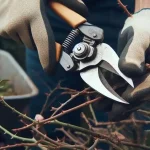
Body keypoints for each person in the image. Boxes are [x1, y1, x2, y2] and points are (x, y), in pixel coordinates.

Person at [0, 0, 150, 149]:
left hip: (120, 10)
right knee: (47, 126)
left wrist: (145, 12)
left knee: (123, 133)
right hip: (44, 13)